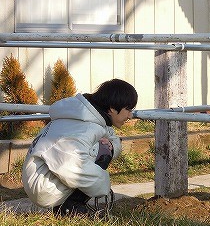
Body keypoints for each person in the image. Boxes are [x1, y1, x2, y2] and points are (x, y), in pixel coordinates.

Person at [22, 78, 138, 217]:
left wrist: (112, 145)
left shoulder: (89, 117)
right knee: (102, 149)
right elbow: (70, 166)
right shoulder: (86, 127)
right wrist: (103, 185)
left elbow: (111, 137)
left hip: (40, 178)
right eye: (128, 109)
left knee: (104, 146)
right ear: (112, 108)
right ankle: (70, 208)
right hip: (44, 187)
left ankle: (67, 205)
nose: (130, 115)